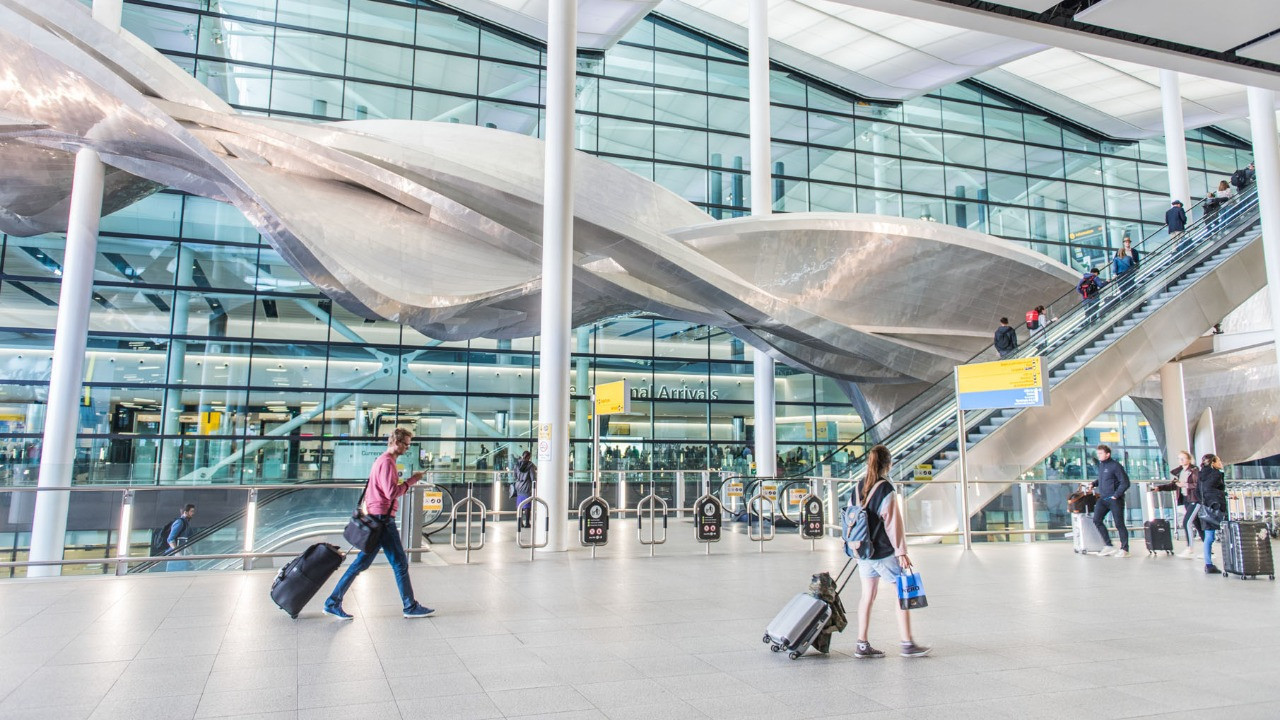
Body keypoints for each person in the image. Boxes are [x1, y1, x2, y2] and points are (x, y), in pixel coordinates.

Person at [324, 428, 433, 620]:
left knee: (361, 563)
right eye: (406, 444)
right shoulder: (387, 463)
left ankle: (332, 602)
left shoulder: (384, 461)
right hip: (383, 520)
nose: (408, 448)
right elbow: (391, 493)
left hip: (378, 518)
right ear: (396, 442)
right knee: (399, 563)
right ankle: (409, 606)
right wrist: (413, 480)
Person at [849, 444, 930, 659]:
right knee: (901, 592)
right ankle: (907, 643)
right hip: (883, 552)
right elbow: (894, 524)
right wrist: (901, 552)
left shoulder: (857, 487)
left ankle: (862, 643)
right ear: (888, 464)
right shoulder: (885, 489)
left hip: (862, 550)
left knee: (867, 595)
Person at [1150, 451, 1200, 557]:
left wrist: (1185, 484)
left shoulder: (1194, 471)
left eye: (1183, 458)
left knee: (1187, 522)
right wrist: (1159, 488)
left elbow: (1197, 485)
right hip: (1185, 499)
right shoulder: (1180, 472)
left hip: (1194, 499)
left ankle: (1190, 548)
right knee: (1197, 524)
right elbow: (1174, 485)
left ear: (1189, 459)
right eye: (1179, 458)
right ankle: (1209, 549)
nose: (1181, 461)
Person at [1090, 444, 1131, 557]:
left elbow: (1125, 482)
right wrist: (1094, 484)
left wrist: (1116, 495)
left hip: (1114, 500)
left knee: (1119, 524)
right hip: (1103, 499)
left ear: (1108, 454)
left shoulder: (1115, 466)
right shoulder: (1102, 466)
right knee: (1097, 520)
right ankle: (1108, 545)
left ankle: (1125, 549)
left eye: (1101, 453)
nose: (1098, 455)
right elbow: (1103, 479)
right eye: (1098, 453)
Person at [1197, 454, 1226, 575]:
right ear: (1213, 463)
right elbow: (1211, 489)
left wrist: (1204, 503)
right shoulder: (1216, 474)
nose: (1221, 462)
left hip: (1205, 508)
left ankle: (1208, 564)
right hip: (1215, 508)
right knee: (1228, 533)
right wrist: (1223, 496)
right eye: (1218, 460)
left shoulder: (1201, 475)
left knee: (1209, 537)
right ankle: (1231, 561)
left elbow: (1198, 492)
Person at [166, 504, 196, 571]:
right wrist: (177, 553)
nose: (193, 513)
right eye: (191, 511)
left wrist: (191, 553)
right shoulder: (180, 522)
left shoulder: (186, 523)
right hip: (175, 557)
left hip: (181, 557)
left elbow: (185, 542)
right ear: (185, 512)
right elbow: (170, 539)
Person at [513, 450, 536, 528]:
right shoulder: (530, 465)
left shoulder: (517, 464)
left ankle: (520, 523)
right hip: (527, 487)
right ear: (529, 457)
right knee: (527, 506)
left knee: (520, 505)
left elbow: (514, 476)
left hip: (519, 487)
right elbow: (533, 477)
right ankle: (527, 523)